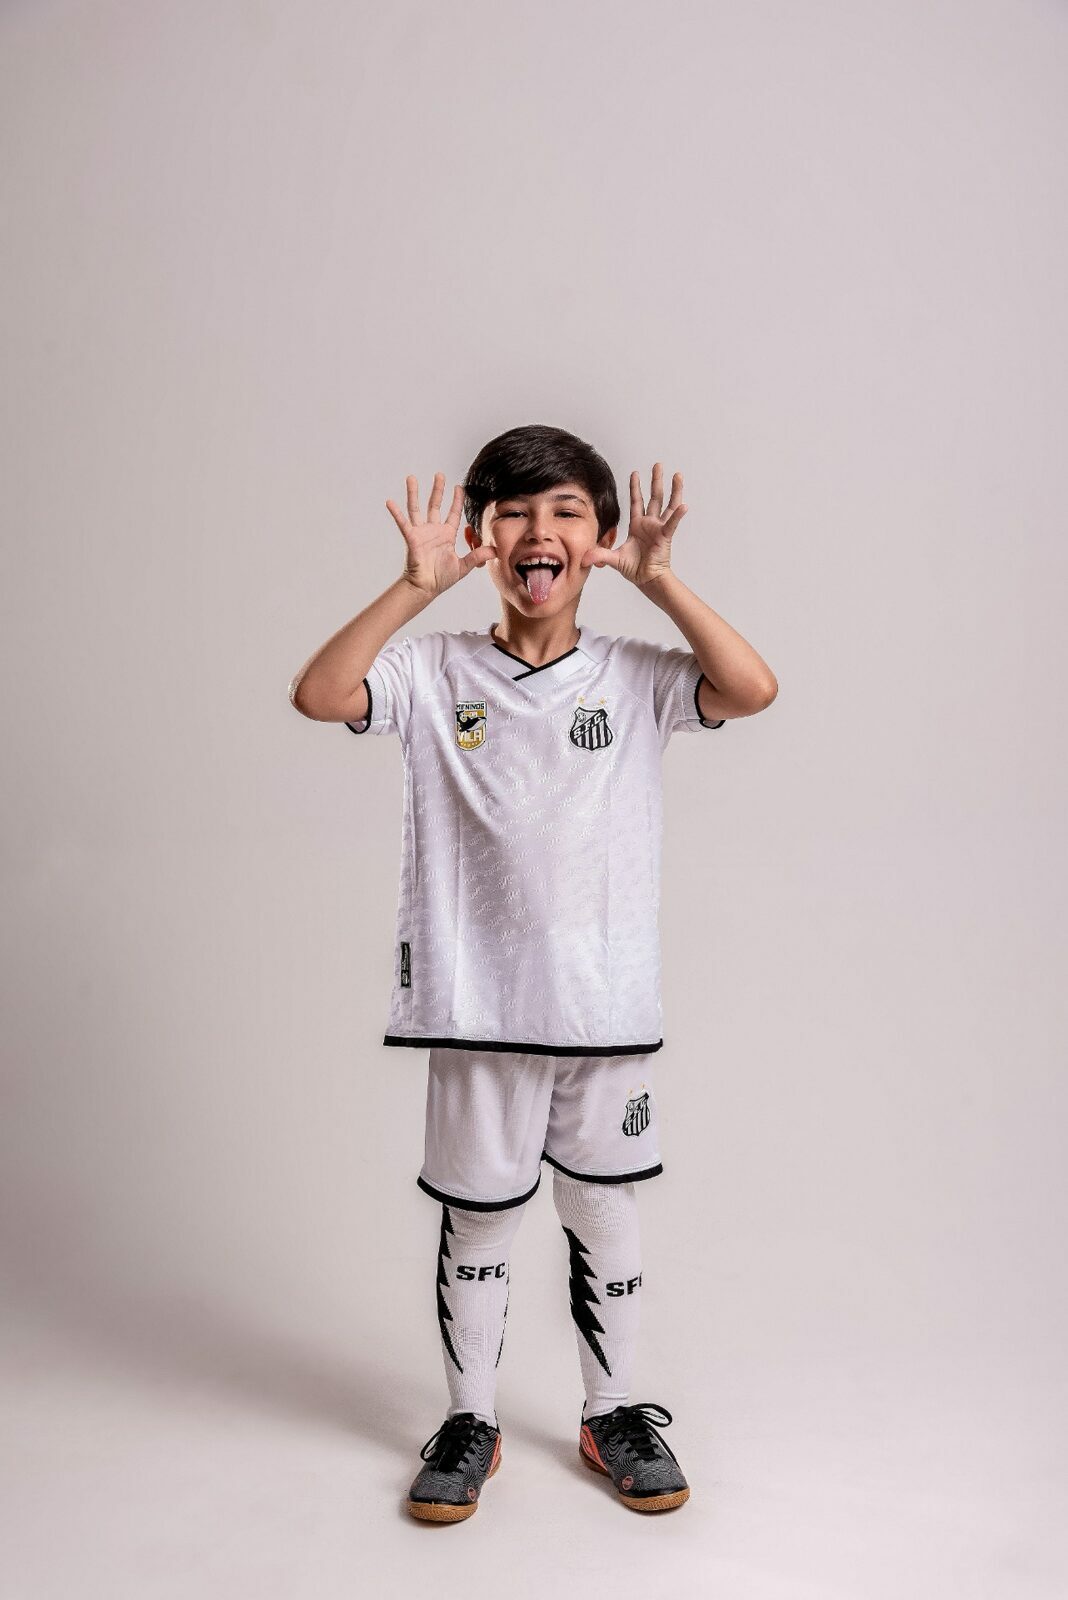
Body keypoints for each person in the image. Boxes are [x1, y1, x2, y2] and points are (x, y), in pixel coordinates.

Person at [288, 424, 777, 1522]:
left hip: (604, 1010)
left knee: (604, 1209)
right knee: (481, 1222)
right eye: (512, 512)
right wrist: (412, 588)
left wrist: (659, 581)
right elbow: (320, 694)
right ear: (481, 536)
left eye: (564, 513)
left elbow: (752, 689)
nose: (537, 532)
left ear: (597, 539)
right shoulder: (434, 670)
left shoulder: (636, 676)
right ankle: (471, 1420)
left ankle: (614, 1412)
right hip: (475, 1010)